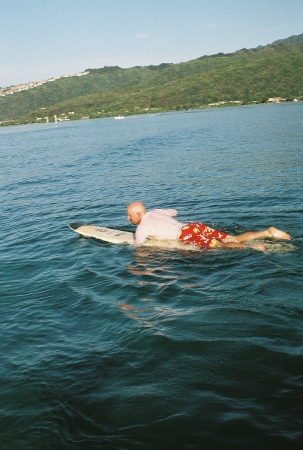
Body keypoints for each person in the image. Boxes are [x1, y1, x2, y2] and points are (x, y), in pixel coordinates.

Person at [126, 201, 291, 251]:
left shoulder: (143, 226)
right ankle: (267, 232)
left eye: (130, 215)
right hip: (194, 226)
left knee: (219, 246)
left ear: (138, 215)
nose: (128, 218)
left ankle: (254, 247)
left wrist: (132, 251)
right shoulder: (156, 211)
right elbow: (174, 211)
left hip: (185, 235)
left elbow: (138, 245)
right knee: (230, 238)